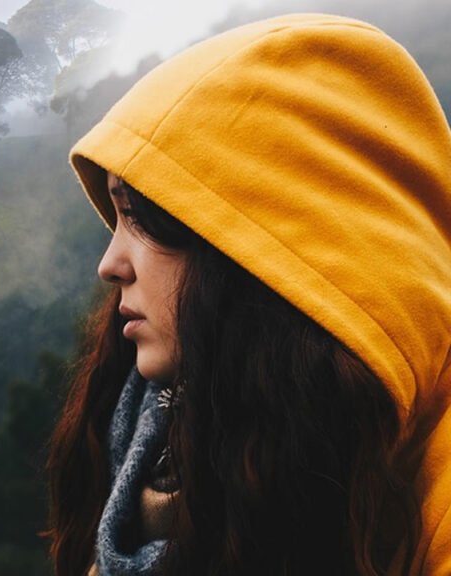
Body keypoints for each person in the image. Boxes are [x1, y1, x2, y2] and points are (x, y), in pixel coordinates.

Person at [46, 13, 451, 576]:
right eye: (115, 218)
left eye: (142, 217)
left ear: (269, 257)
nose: (109, 265)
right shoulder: (170, 434)